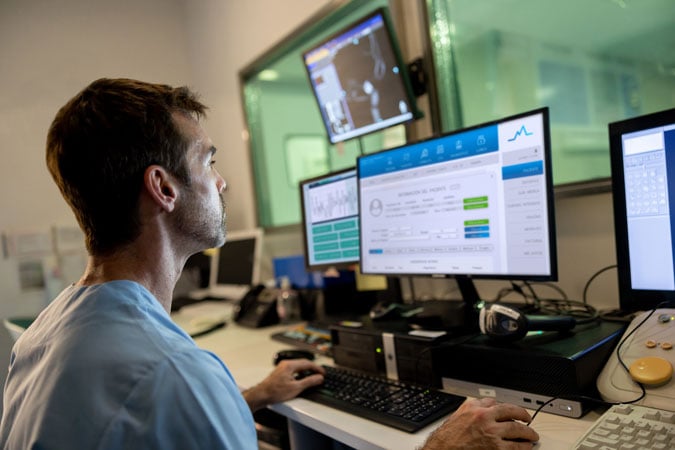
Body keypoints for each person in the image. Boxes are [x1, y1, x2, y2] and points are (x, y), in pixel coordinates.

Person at [0, 78, 539, 449]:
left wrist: (251, 396)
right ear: (163, 188)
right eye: (208, 160)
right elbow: (166, 391)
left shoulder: (43, 336)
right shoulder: (176, 374)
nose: (221, 180)